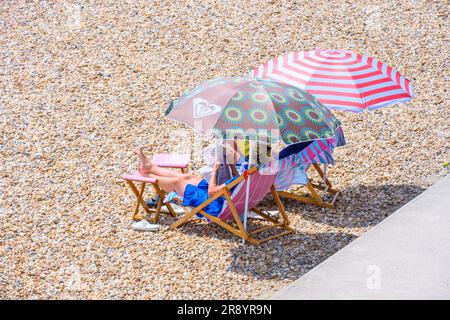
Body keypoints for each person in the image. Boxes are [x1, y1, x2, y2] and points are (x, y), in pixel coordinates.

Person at [134, 147, 239, 216]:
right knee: (189, 177)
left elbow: (211, 192)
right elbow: (237, 182)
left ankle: (147, 174)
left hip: (216, 204)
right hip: (224, 197)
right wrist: (232, 165)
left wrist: (214, 171)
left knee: (177, 182)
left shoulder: (248, 176)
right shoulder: (249, 176)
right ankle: (150, 167)